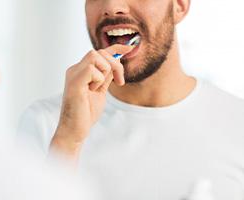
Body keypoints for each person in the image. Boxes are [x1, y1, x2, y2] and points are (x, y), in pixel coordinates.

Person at [17, 0, 244, 199]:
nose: (112, 7)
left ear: (179, 5)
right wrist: (68, 143)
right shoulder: (46, 124)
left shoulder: (237, 126)